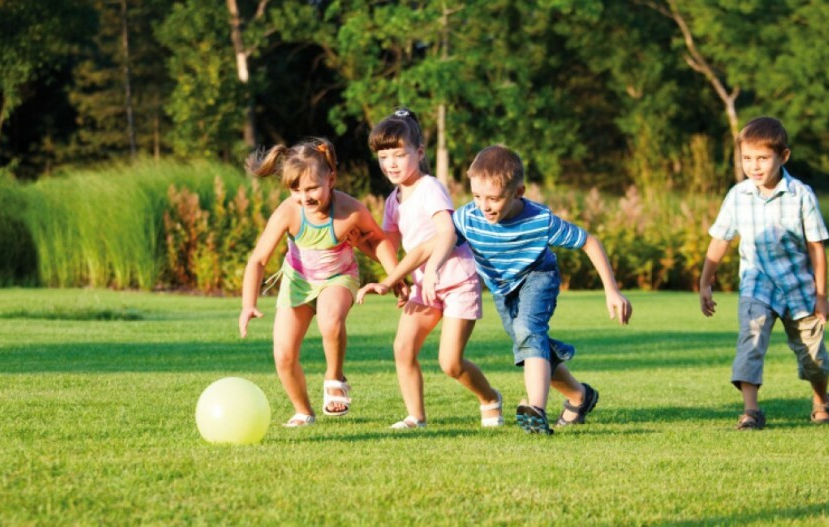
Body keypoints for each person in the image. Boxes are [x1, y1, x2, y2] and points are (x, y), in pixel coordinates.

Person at [425, 144, 632, 435]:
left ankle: (536, 409)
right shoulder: (468, 216)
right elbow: (444, 239)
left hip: (539, 275)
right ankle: (579, 396)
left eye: (494, 199)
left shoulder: (539, 220)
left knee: (528, 331)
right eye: (476, 196)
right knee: (530, 346)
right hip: (502, 288)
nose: (484, 206)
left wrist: (612, 290)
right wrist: (430, 268)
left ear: (518, 192)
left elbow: (589, 242)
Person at [355, 108, 503, 430]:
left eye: (399, 154)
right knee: (402, 347)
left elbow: (447, 232)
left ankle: (490, 398)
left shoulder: (430, 187)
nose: (391, 163)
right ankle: (416, 417)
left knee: (450, 363)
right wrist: (359, 245)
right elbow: (388, 248)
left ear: (419, 153)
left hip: (456, 279)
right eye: (383, 156)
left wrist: (432, 268)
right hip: (425, 284)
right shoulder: (393, 200)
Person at [239, 138, 400, 427]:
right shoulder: (289, 211)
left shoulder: (349, 210)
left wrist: (396, 278)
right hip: (297, 282)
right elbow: (258, 260)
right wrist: (248, 304)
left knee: (330, 320)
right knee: (283, 354)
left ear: (331, 179)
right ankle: (303, 411)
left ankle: (334, 376)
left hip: (338, 278)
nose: (305, 197)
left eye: (312, 188)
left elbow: (379, 243)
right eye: (296, 190)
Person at [699, 116, 829, 430]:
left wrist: (822, 295)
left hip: (798, 288)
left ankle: (822, 399)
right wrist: (705, 282)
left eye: (762, 158)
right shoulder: (737, 195)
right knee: (751, 339)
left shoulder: (801, 195)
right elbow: (720, 240)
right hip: (756, 284)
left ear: (783, 156)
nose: (754, 166)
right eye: (747, 158)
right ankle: (751, 411)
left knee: (813, 358)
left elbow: (816, 248)